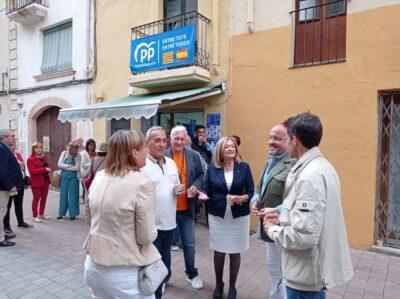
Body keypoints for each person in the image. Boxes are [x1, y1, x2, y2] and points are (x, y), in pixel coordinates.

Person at [264, 113, 354, 299]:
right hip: (309, 270)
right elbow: (313, 219)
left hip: (305, 275)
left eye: (287, 138)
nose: (286, 143)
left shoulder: (309, 176)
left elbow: (304, 236)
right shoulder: (322, 166)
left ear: (295, 140)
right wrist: (282, 218)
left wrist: (272, 230)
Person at [84, 130, 160, 298]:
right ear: (134, 152)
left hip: (93, 265)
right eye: (145, 147)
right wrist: (156, 230)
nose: (147, 151)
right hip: (124, 271)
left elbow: (89, 218)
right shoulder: (142, 183)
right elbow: (145, 236)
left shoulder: (99, 176)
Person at [198, 137, 254, 299]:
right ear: (220, 151)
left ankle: (232, 287)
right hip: (218, 216)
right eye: (227, 146)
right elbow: (206, 188)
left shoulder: (244, 167)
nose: (231, 149)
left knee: (235, 252)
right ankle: (218, 284)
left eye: (233, 146)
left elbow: (251, 191)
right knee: (220, 251)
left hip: (238, 217)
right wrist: (202, 194)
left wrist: (242, 198)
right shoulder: (212, 168)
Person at [250, 124, 292, 299]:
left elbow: (294, 200)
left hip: (284, 228)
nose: (272, 142)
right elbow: (260, 187)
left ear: (288, 141)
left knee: (285, 273)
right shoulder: (271, 161)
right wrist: (256, 199)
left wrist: (276, 209)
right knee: (273, 268)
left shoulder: (292, 164)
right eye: (270, 137)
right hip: (269, 228)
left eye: (277, 138)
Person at [141, 126, 180, 298]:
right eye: (157, 140)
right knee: (152, 263)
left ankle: (162, 284)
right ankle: (153, 292)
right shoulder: (142, 165)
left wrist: (178, 189)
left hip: (170, 222)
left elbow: (175, 185)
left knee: (165, 258)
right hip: (151, 225)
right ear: (147, 143)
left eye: (165, 140)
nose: (162, 144)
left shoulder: (171, 163)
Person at [165, 125, 204, 290]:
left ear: (186, 139)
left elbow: (202, 175)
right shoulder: (163, 156)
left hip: (187, 208)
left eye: (182, 138)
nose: (179, 142)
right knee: (164, 246)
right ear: (171, 139)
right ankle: (164, 277)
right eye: (176, 138)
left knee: (189, 244)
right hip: (167, 209)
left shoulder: (194, 155)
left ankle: (191, 273)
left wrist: (195, 186)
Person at [0, 129, 24, 246]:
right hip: (3, 187)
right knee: (1, 212)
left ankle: (2, 234)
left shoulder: (3, 147)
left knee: (2, 212)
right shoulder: (2, 148)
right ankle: (0, 239)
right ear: (4, 137)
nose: (13, 138)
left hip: (4, 186)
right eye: (11, 136)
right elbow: (2, 170)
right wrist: (10, 185)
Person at [27, 142, 52, 222]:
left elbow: (49, 166)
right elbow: (32, 171)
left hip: (45, 181)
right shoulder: (30, 159)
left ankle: (41, 214)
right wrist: (44, 169)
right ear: (33, 149)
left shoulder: (44, 157)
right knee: (36, 198)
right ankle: (35, 216)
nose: (39, 149)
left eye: (40, 148)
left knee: (44, 198)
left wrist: (48, 168)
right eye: (37, 148)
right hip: (36, 182)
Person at [57, 142, 81, 220]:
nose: (74, 153)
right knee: (63, 195)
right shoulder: (64, 153)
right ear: (69, 149)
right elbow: (59, 164)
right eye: (73, 151)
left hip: (74, 178)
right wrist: (69, 166)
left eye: (75, 151)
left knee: (73, 196)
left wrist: (65, 168)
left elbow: (77, 168)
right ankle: (61, 213)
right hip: (64, 177)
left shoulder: (78, 156)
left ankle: (72, 214)